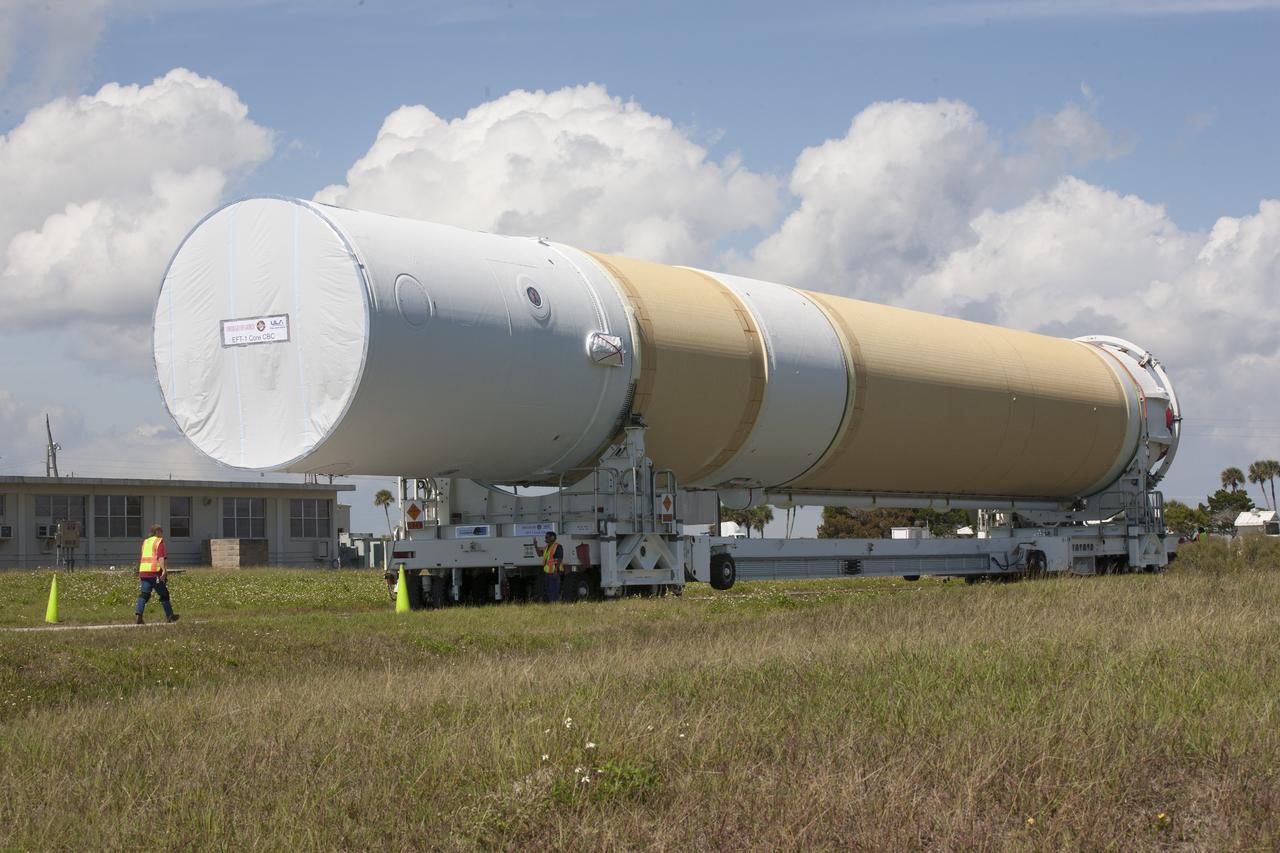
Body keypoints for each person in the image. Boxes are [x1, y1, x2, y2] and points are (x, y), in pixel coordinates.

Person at [136, 524, 179, 624]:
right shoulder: (159, 541)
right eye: (161, 531)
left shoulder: (145, 542)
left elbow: (143, 556)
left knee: (144, 594)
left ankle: (139, 614)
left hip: (144, 572)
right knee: (164, 594)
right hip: (155, 573)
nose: (162, 534)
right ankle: (170, 616)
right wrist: (164, 570)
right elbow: (160, 557)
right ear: (157, 532)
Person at [541, 531, 565, 603]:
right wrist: (535, 545)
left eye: (547, 537)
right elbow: (540, 554)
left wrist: (556, 571)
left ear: (552, 538)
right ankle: (552, 603)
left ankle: (555, 603)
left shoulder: (558, 546)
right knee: (549, 589)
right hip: (547, 572)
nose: (545, 538)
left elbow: (559, 559)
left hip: (554, 572)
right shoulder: (547, 547)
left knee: (554, 589)